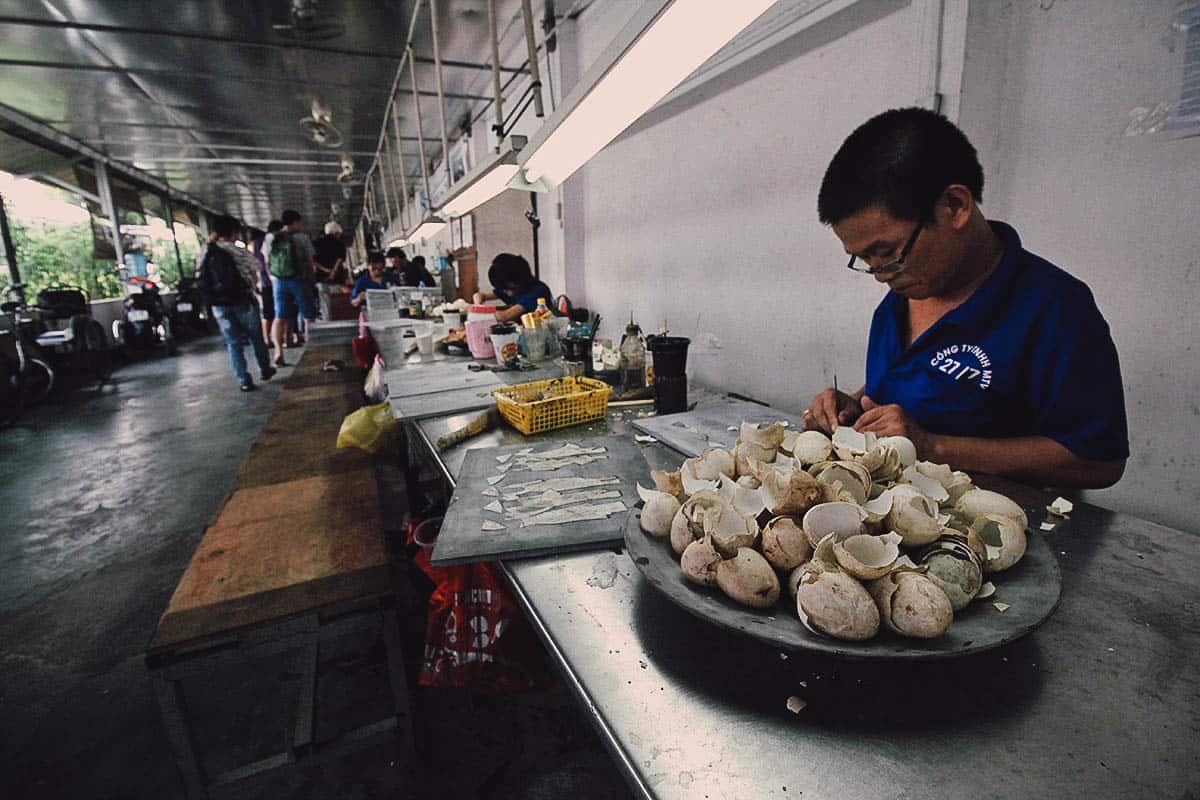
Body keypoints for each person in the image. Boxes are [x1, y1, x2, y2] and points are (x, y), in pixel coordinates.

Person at [804, 107, 1127, 489]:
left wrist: (933, 447)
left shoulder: (1055, 310)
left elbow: (1100, 462)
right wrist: (854, 407)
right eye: (864, 260)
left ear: (954, 206)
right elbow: (903, 389)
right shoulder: (900, 298)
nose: (879, 275)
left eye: (887, 252)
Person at [198, 215, 275, 392]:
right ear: (234, 232)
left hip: (218, 304)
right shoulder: (238, 251)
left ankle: (243, 380)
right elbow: (256, 268)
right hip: (242, 300)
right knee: (256, 337)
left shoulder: (206, 251)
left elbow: (199, 274)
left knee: (233, 342)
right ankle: (265, 369)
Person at [267, 209, 317, 366]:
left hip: (279, 282)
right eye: (299, 223)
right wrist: (311, 279)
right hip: (298, 280)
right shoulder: (301, 238)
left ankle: (277, 352)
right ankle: (311, 350)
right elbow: (310, 262)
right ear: (295, 222)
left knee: (279, 317)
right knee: (308, 317)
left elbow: (268, 262)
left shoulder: (270, 238)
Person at [471, 253, 554, 324]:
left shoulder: (537, 292)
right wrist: (477, 306)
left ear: (519, 280)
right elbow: (480, 295)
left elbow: (504, 316)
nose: (508, 293)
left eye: (509, 289)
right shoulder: (513, 287)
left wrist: (478, 315)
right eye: (504, 289)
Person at [250, 228, 273, 345]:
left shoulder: (255, 245)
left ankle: (267, 339)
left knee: (267, 313)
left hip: (265, 282)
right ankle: (286, 338)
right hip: (273, 280)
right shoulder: (264, 242)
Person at [313, 221, 349, 285]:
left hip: (321, 276)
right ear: (336, 233)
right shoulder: (340, 244)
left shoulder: (315, 243)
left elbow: (313, 260)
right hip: (337, 277)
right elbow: (340, 259)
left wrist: (325, 270)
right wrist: (333, 272)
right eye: (338, 234)